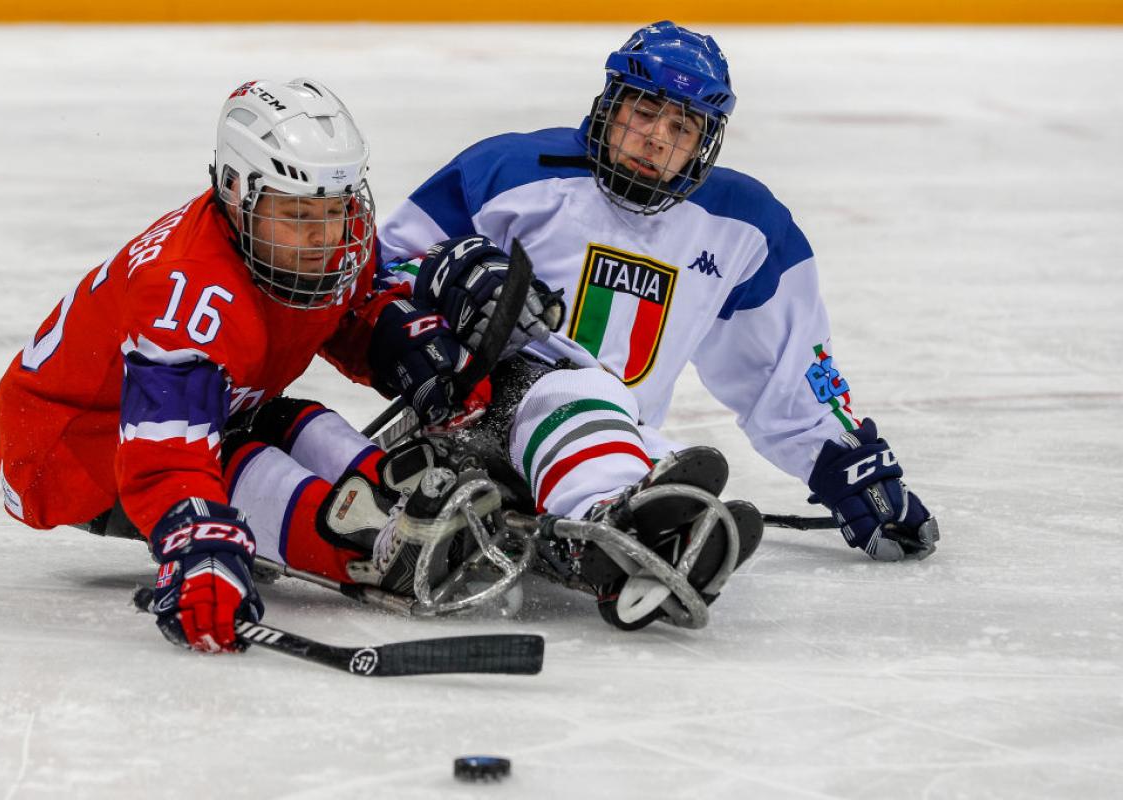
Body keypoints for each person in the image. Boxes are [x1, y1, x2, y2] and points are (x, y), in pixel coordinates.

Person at [377, 21, 940, 627]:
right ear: (609, 104)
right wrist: (439, 278)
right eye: (644, 113)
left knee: (669, 464)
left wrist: (842, 462)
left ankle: (639, 520)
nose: (655, 140)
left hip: (602, 439)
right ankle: (602, 524)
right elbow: (375, 276)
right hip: (474, 420)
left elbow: (784, 369)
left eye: (681, 128)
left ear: (705, 143)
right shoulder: (510, 174)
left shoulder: (745, 227)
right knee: (576, 391)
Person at [0, 78, 486, 653]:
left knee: (296, 422)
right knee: (240, 460)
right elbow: (165, 456)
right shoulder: (185, 292)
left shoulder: (311, 237)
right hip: (71, 447)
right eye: (299, 213)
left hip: (204, 405)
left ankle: (393, 495)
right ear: (235, 192)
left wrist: (416, 356)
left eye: (338, 206)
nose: (324, 237)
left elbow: (351, 311)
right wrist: (199, 548)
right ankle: (367, 549)